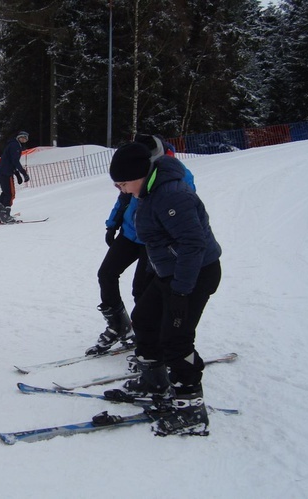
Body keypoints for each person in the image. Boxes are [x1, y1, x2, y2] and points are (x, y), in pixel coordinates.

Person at [93, 141, 222, 436]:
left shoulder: (172, 196)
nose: (122, 191)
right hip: (171, 272)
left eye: (123, 184)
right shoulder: (149, 188)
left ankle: (191, 411)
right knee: (144, 320)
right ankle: (155, 383)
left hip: (195, 274)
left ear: (139, 175)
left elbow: (193, 245)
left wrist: (180, 291)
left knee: (175, 339)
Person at [87, 135, 195, 356]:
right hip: (130, 234)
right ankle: (119, 325)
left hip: (153, 240)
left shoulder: (178, 175)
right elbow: (124, 198)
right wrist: (113, 224)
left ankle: (150, 339)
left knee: (142, 291)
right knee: (106, 274)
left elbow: (181, 211)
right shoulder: (134, 170)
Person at [0, 131, 30, 223]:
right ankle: (5, 215)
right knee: (10, 194)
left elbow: (10, 160)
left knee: (5, 192)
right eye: (22, 137)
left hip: (3, 171)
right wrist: (23, 173)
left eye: (25, 138)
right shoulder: (15, 145)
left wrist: (17, 174)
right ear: (18, 137)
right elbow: (15, 161)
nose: (24, 139)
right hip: (6, 172)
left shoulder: (13, 144)